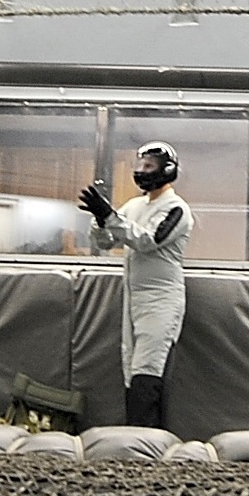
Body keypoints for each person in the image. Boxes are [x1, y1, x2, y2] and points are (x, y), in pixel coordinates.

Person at [79, 142, 189, 432]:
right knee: (131, 370)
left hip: (161, 300)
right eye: (140, 166)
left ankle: (147, 445)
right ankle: (133, 439)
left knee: (148, 370)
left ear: (167, 170)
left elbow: (147, 240)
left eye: (149, 166)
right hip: (132, 298)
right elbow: (105, 242)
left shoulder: (177, 209)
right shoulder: (135, 205)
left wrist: (111, 218)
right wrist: (100, 219)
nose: (142, 171)